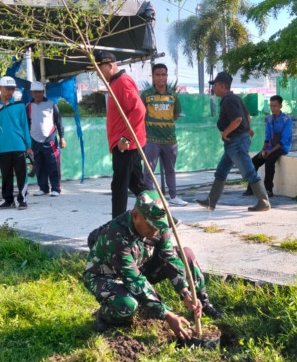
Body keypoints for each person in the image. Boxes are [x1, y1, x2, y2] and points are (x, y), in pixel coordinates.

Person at [84, 191, 223, 338]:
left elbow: (169, 258)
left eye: (159, 226)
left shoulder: (158, 225)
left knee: (185, 254)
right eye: (151, 226)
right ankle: (104, 315)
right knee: (127, 305)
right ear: (135, 216)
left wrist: (185, 292)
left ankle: (203, 303)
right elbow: (134, 280)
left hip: (140, 267)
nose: (156, 230)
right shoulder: (117, 236)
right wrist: (168, 315)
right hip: (106, 276)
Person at [196, 71, 270, 212]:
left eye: (216, 85)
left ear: (222, 86)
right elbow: (246, 114)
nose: (214, 88)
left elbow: (237, 119)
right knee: (221, 171)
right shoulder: (235, 98)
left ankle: (263, 200)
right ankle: (211, 201)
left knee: (248, 171)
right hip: (235, 142)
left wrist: (226, 132)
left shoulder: (228, 100)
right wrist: (248, 129)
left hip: (235, 142)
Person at [95, 50, 148, 218]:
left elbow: (139, 110)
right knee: (136, 185)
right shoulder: (115, 83)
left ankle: (116, 225)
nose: (97, 74)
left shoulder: (123, 82)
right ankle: (164, 217)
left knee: (119, 186)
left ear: (110, 65)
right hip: (125, 143)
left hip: (126, 145)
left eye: (98, 69)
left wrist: (125, 138)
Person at [141, 63, 187, 206]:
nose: (161, 78)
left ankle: (173, 197)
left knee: (170, 170)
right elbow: (141, 115)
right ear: (153, 77)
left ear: (167, 76)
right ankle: (151, 199)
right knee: (149, 171)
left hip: (170, 140)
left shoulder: (173, 96)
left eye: (163, 75)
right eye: (158, 75)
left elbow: (175, 116)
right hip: (151, 140)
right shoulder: (146, 95)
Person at [0, 76, 33, 210]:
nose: (10, 92)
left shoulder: (19, 106)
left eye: (12, 89)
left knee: (21, 175)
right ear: (0, 88)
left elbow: (24, 126)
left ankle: (23, 200)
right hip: (3, 148)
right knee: (6, 176)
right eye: (7, 89)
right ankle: (8, 201)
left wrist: (28, 146)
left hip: (19, 146)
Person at [243, 95, 292, 198]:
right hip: (270, 147)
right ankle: (251, 188)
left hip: (281, 148)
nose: (273, 108)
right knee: (254, 161)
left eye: (275, 106)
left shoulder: (286, 120)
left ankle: (268, 189)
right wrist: (263, 150)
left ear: (280, 106)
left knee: (269, 161)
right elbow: (267, 137)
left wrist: (269, 152)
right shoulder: (269, 119)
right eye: (271, 106)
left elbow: (284, 140)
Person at [27, 80, 66, 197]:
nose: (37, 94)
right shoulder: (28, 107)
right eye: (35, 92)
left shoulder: (51, 105)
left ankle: (56, 188)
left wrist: (62, 137)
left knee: (53, 165)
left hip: (50, 140)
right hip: (35, 141)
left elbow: (59, 122)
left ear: (43, 92)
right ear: (31, 93)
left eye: (39, 92)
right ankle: (43, 188)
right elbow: (27, 124)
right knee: (39, 166)